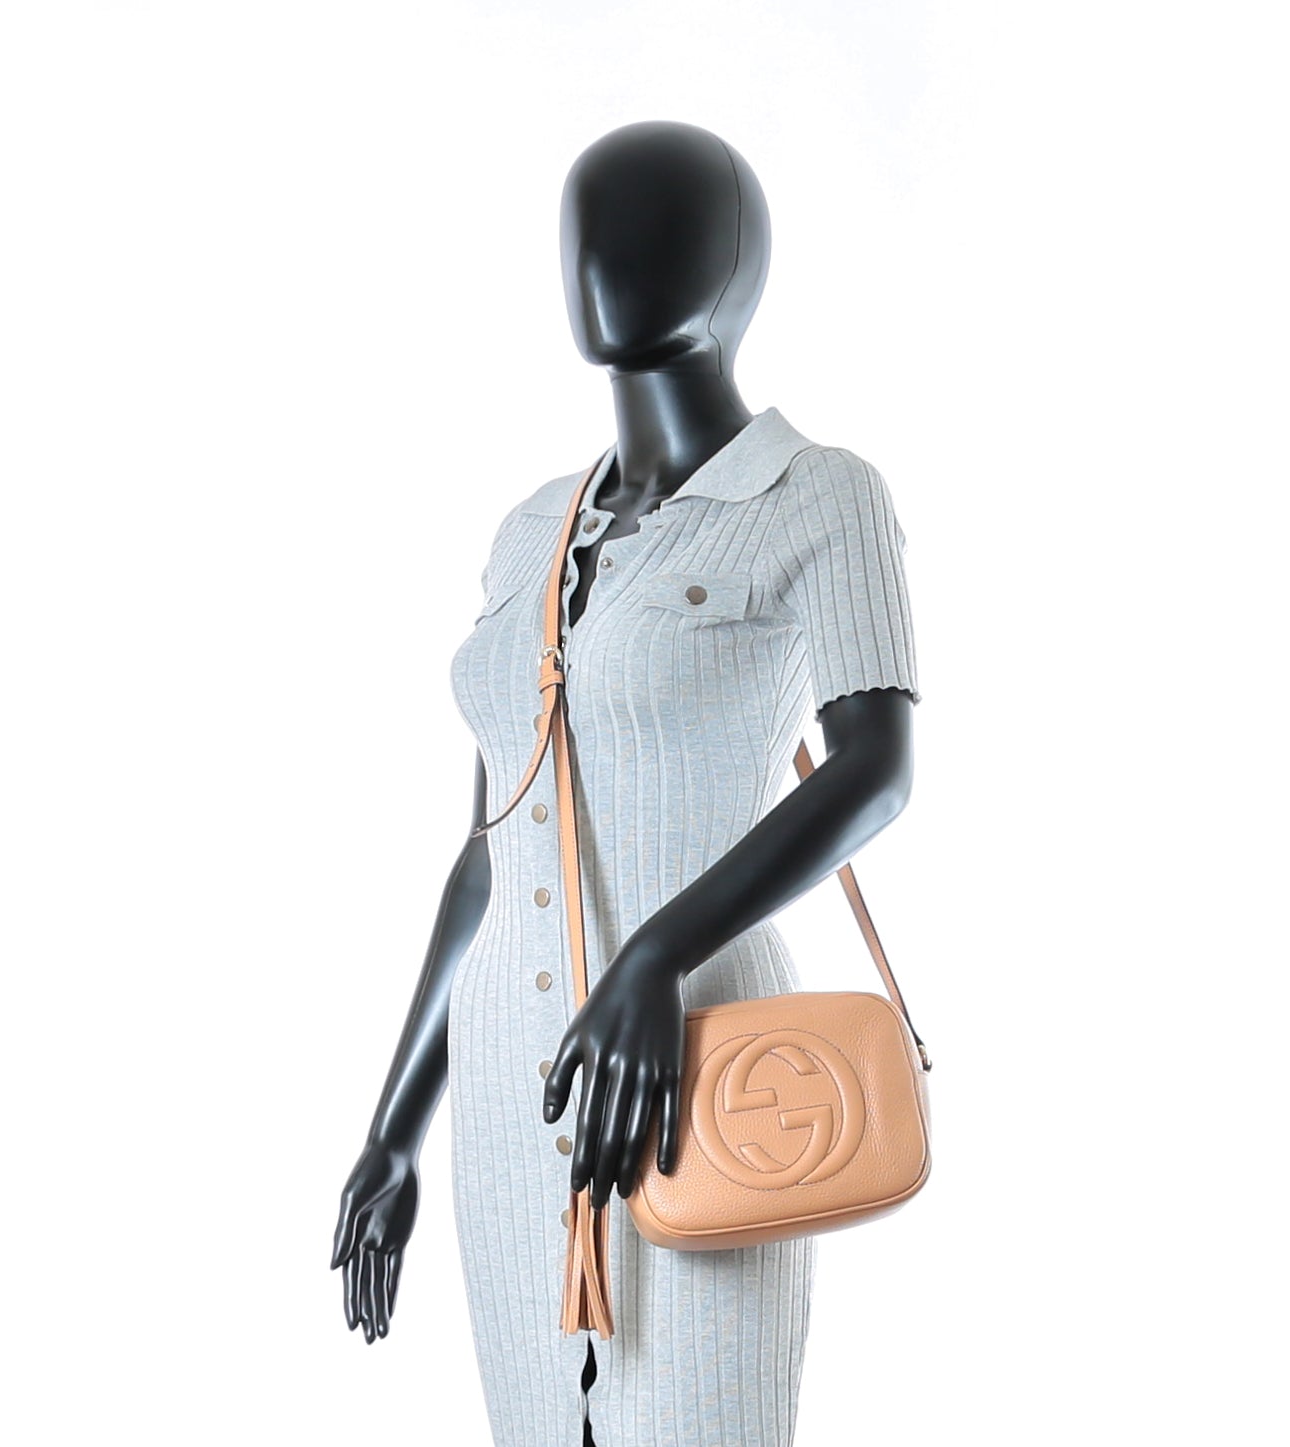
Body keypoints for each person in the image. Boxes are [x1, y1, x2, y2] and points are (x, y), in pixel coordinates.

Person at [331, 119, 920, 1447]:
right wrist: (393, 1130)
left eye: (653, 231)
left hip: (698, 1071)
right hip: (509, 1090)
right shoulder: (527, 534)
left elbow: (877, 769)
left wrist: (658, 952)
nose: (606, 261)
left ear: (736, 265)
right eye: (583, 230)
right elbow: (488, 851)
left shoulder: (820, 497)